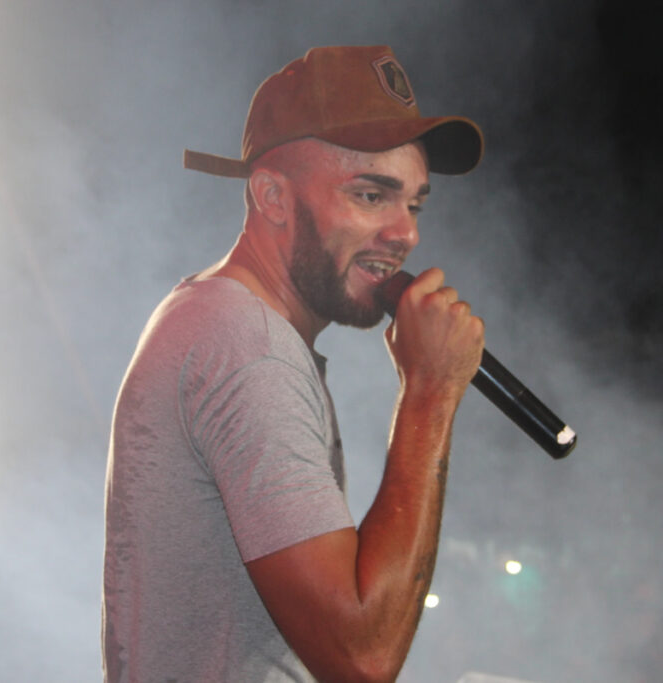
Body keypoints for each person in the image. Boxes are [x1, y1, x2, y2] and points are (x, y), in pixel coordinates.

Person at [102, 45, 486, 682]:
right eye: (371, 195)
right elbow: (362, 656)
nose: (406, 234)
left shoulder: (221, 320)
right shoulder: (248, 349)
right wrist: (431, 392)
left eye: (414, 204)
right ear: (273, 197)